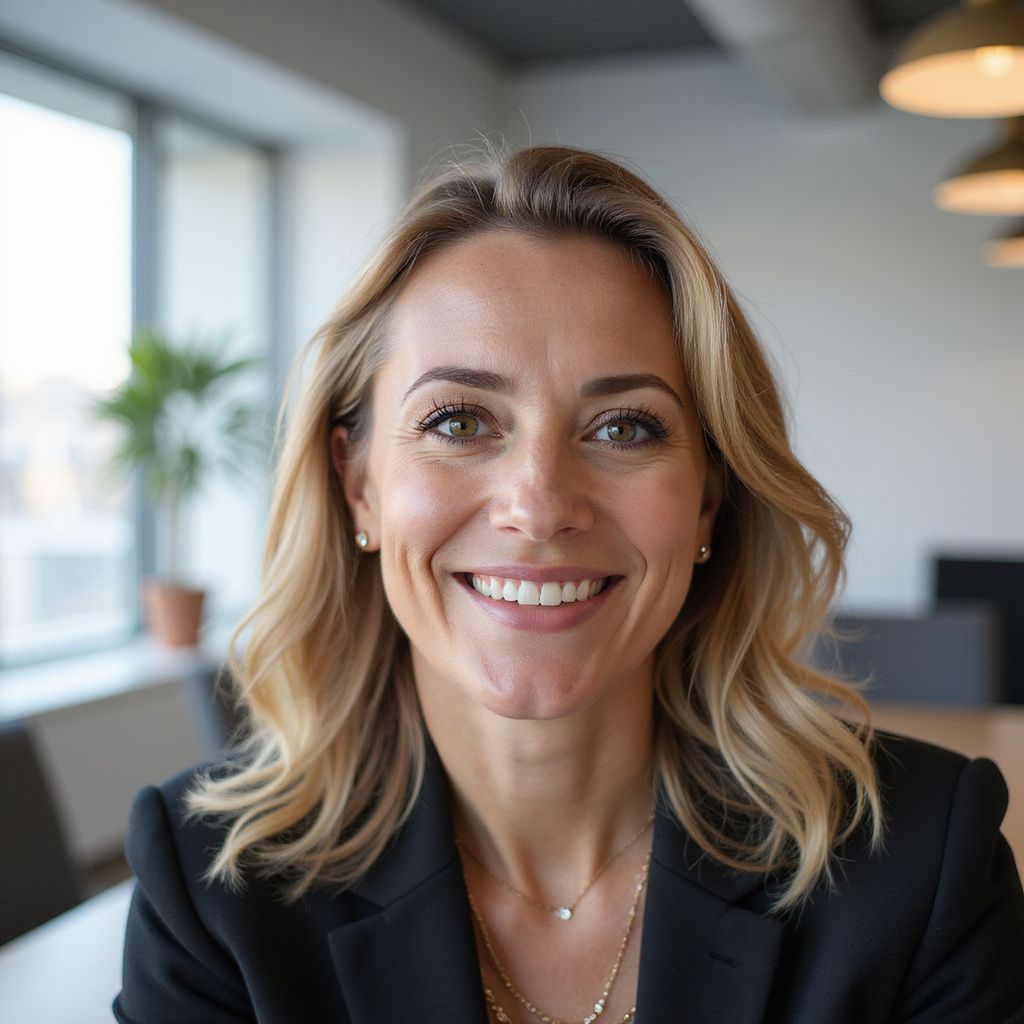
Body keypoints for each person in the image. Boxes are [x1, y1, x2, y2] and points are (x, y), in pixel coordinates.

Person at [113, 146, 1024, 1024]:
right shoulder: (210, 890)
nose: (540, 506)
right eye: (460, 419)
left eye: (625, 428)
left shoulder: (923, 861)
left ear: (708, 496)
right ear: (360, 484)